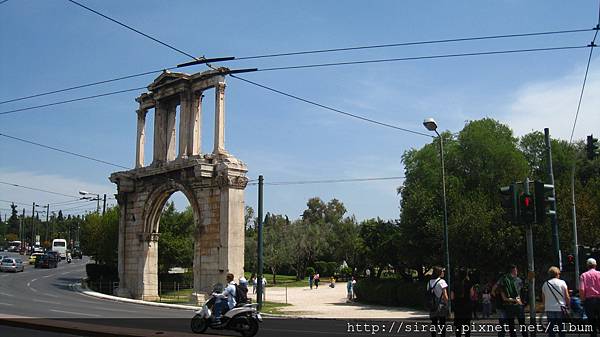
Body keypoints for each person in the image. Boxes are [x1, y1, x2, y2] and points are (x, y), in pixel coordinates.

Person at [541, 266, 569, 337]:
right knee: (561, 328)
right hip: (560, 308)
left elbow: (543, 298)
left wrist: (545, 307)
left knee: (551, 328)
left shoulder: (545, 284)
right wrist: (568, 305)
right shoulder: (562, 282)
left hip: (549, 308)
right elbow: (566, 296)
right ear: (557, 274)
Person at [580, 258, 600, 337]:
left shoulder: (583, 275)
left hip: (589, 301)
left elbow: (582, 289)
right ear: (595, 265)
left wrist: (582, 300)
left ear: (587, 266)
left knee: (591, 322)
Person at [452, 268, 474, 337]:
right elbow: (472, 294)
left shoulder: (454, 284)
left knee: (458, 326)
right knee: (467, 326)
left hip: (458, 307)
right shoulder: (469, 283)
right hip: (467, 306)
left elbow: (452, 297)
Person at [428, 266, 449, 337]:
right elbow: (445, 296)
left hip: (432, 305)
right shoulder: (442, 281)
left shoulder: (429, 282)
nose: (443, 272)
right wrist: (447, 305)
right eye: (442, 271)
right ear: (439, 273)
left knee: (434, 323)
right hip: (441, 305)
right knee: (442, 323)